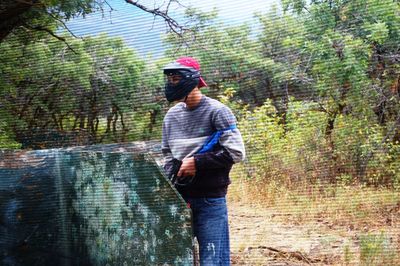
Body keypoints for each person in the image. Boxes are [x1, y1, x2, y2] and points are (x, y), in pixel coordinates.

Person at [161, 56, 246, 265]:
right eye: (169, 79)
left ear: (191, 79)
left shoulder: (217, 111)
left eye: (175, 79)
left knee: (213, 260)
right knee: (180, 259)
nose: (171, 83)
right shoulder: (171, 117)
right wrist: (169, 180)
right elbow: (167, 155)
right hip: (179, 199)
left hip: (209, 199)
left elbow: (236, 152)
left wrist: (197, 163)